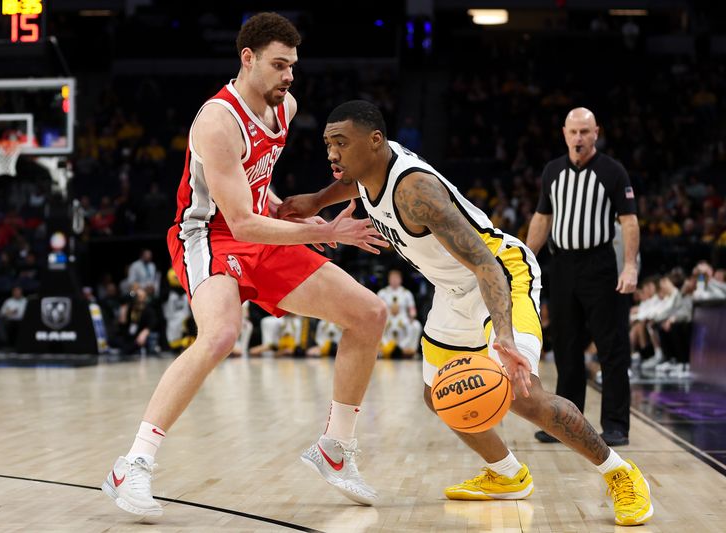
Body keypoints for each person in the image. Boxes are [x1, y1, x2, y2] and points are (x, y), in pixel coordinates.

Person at [279, 100, 653, 526]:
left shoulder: (414, 192)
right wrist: (314, 202)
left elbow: (486, 266)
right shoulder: (369, 168)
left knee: (521, 393)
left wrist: (505, 338)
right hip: (454, 287)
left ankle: (620, 473)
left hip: (500, 275)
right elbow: (354, 185)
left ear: (375, 141)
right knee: (438, 393)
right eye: (329, 144)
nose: (332, 153)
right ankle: (508, 474)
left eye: (341, 143)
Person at [101, 13, 389, 518]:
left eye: (293, 66)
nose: (289, 77)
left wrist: (285, 204)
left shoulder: (286, 106)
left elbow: (253, 185)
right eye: (279, 65)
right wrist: (324, 230)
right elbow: (239, 220)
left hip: (258, 227)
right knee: (220, 336)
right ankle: (134, 464)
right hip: (209, 234)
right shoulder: (216, 121)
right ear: (247, 59)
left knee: (370, 315)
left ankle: (334, 448)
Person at [526, 108, 639, 447]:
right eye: (573, 132)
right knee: (566, 346)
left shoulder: (612, 171)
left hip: (600, 265)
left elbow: (630, 221)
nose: (578, 138)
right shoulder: (553, 171)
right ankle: (566, 423)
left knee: (612, 346)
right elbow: (542, 219)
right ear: (564, 133)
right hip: (562, 267)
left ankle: (616, 425)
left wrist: (630, 265)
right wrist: (526, 259)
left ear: (596, 133)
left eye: (585, 132)